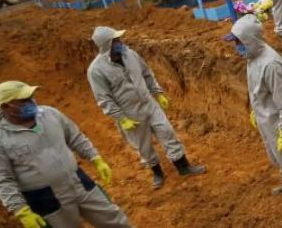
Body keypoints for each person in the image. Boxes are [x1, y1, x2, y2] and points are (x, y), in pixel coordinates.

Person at [0, 81, 132, 228]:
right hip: (46, 198)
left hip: (78, 181)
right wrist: (21, 210)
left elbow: (75, 137)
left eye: (30, 97)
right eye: (23, 100)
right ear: (6, 106)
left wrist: (95, 158)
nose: (31, 101)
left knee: (115, 220)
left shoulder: (50, 114)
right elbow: (2, 180)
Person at [87, 26, 205, 189]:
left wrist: (157, 93)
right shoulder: (96, 70)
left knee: (167, 131)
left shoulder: (130, 54)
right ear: (107, 45)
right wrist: (122, 119)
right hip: (129, 113)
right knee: (143, 145)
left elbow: (146, 73)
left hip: (148, 103)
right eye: (115, 41)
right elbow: (104, 99)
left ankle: (183, 166)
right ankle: (157, 173)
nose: (119, 42)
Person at [223, 14, 282, 211]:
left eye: (238, 42)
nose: (236, 46)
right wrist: (255, 111)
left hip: (278, 120)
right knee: (276, 153)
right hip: (264, 117)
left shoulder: (270, 64)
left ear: (250, 39)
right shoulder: (252, 56)